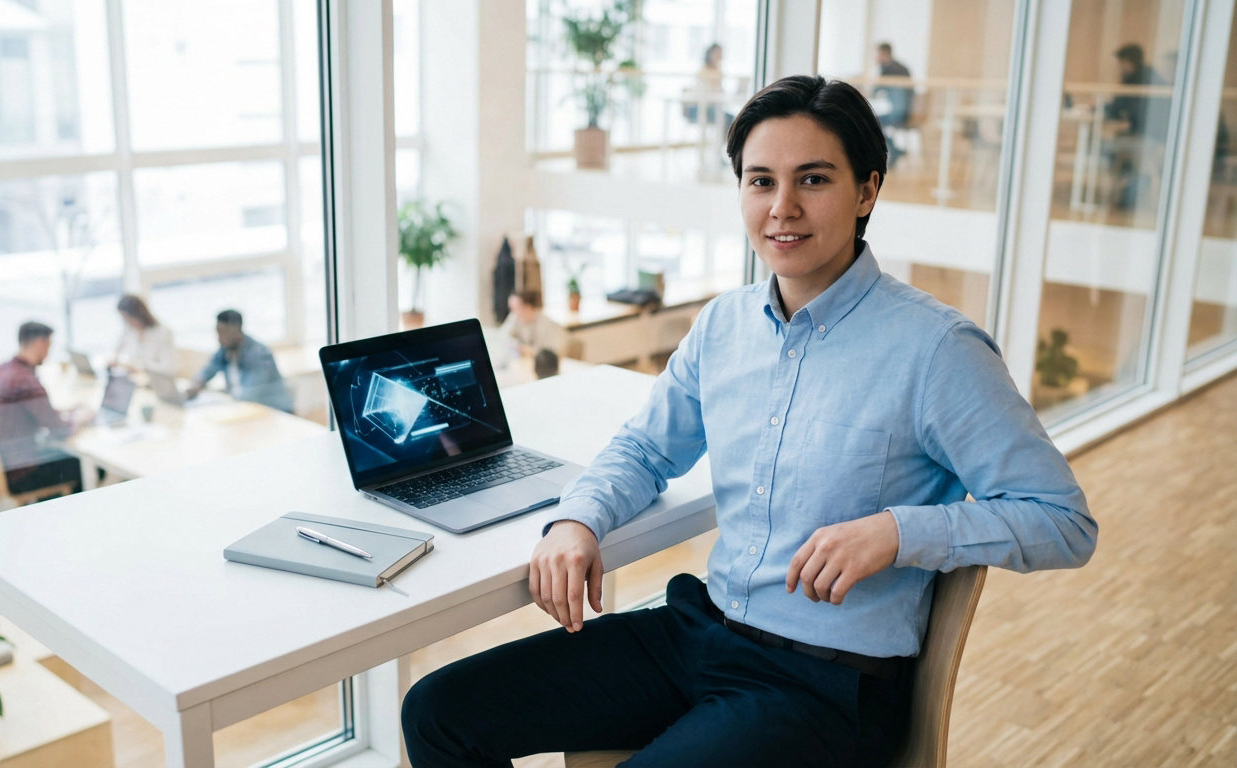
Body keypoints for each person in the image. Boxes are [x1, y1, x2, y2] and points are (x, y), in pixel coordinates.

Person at [402, 74, 1097, 767]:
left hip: (824, 685)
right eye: (760, 181)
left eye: (814, 180)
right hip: (700, 633)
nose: (782, 207)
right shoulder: (724, 325)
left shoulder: (937, 350)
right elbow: (646, 448)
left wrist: (899, 532)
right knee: (438, 712)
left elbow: (1062, 521)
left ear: (866, 192)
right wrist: (579, 520)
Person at [0, 322, 88, 497]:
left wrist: (60, 411)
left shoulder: (0, 370)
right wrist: (80, 419)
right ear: (40, 343)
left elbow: (23, 412)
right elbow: (59, 430)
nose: (48, 352)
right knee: (83, 464)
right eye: (48, 346)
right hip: (20, 473)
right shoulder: (26, 382)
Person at [1104, 43, 1171, 209]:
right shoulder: (1151, 76)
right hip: (1159, 137)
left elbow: (1117, 109)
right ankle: (1132, 184)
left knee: (1107, 147)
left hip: (1148, 138)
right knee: (1118, 144)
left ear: (1127, 62)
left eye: (1119, 64)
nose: (1118, 68)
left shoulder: (1135, 81)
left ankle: (1128, 186)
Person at [187, 310, 293, 413]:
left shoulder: (259, 354)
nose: (219, 339)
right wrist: (196, 384)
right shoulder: (224, 351)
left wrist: (219, 400)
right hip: (246, 411)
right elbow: (207, 371)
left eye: (223, 333)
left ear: (236, 330)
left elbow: (250, 395)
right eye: (218, 333)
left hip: (274, 412)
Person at [492, 290, 561, 368]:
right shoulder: (515, 317)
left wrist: (528, 350)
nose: (513, 312)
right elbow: (501, 337)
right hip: (526, 364)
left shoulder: (547, 324)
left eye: (516, 308)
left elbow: (550, 353)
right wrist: (516, 345)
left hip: (544, 366)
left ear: (528, 307)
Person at [873, 42, 913, 167]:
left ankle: (894, 150)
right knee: (876, 120)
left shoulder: (888, 69)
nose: (876, 58)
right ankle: (896, 149)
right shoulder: (901, 67)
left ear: (884, 54)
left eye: (877, 54)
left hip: (900, 112)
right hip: (906, 109)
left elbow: (876, 90)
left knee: (873, 121)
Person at [110, 295, 174, 373]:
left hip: (155, 379)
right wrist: (114, 360)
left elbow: (168, 368)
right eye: (124, 319)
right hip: (136, 379)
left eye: (128, 318)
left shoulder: (162, 333)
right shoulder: (128, 331)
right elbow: (116, 350)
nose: (127, 322)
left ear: (138, 315)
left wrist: (137, 367)